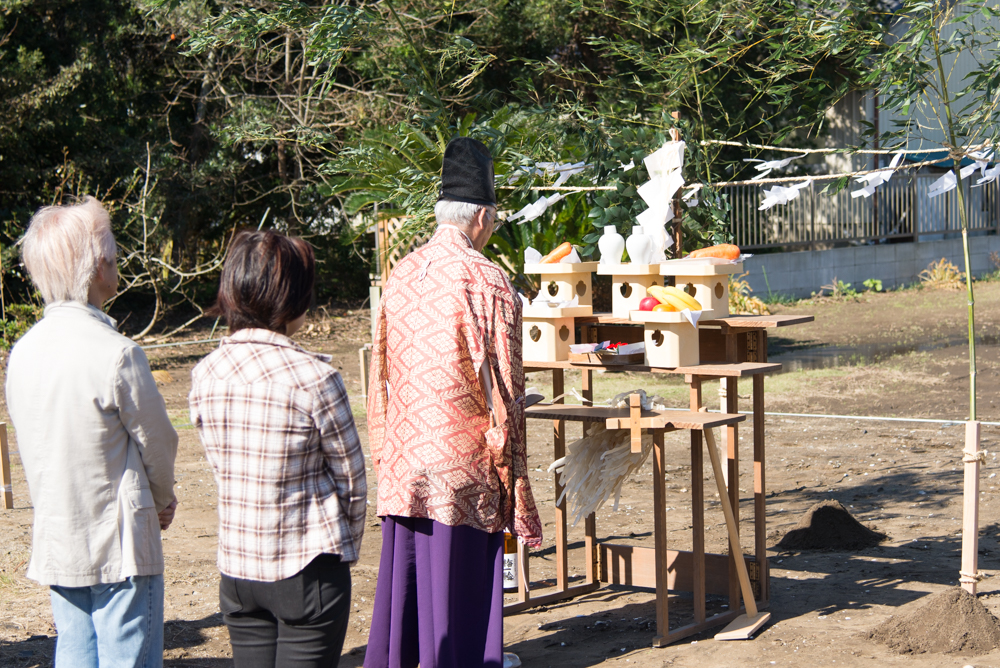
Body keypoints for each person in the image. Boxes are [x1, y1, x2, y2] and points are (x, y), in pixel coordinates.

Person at [364, 136, 543, 668]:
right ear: (483, 217)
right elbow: (505, 384)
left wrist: (387, 449)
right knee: (460, 593)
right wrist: (510, 462)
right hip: (461, 465)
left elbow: (382, 373)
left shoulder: (400, 274)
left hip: (405, 457)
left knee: (411, 585)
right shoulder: (488, 279)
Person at [5, 196, 178, 668]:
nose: (115, 254)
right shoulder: (116, 352)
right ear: (93, 262)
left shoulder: (22, 352)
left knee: (75, 651)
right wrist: (163, 499)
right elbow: (158, 442)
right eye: (109, 245)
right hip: (118, 541)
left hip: (59, 533)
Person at [189, 230, 367, 668]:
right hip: (307, 565)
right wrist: (347, 548)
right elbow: (352, 481)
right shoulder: (314, 378)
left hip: (237, 567)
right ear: (295, 297)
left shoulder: (205, 374)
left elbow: (218, 463)